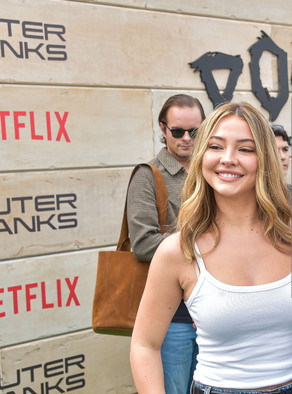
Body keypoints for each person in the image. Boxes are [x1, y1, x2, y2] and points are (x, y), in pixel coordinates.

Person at [130, 102, 292, 394]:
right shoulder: (177, 250)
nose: (228, 158)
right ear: (202, 155)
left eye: (245, 149)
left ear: (265, 158)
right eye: (215, 146)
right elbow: (144, 344)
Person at [126, 94, 205, 394]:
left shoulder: (209, 172)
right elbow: (143, 244)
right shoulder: (149, 175)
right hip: (172, 317)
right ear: (162, 129)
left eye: (194, 131)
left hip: (209, 312)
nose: (187, 139)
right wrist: (203, 243)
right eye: (177, 131)